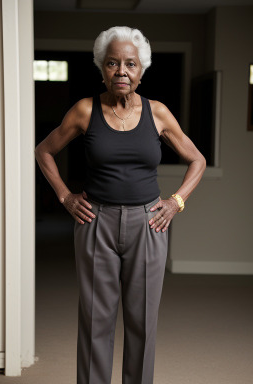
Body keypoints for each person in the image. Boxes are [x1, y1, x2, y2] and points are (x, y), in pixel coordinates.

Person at [35, 26, 206, 384]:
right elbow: (44, 151)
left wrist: (176, 202)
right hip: (96, 223)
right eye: (113, 63)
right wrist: (66, 197)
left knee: (142, 322)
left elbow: (197, 160)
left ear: (142, 71)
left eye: (130, 64)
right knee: (96, 320)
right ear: (102, 69)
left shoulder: (158, 113)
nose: (122, 71)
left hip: (148, 224)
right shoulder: (84, 110)